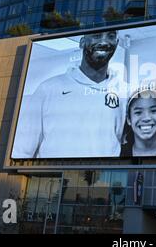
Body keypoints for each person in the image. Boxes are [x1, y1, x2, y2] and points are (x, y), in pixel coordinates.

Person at [12, 30, 127, 158]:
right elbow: (21, 150)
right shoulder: (48, 88)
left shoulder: (125, 92)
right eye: (96, 35)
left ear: (116, 43)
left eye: (111, 36)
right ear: (82, 42)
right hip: (50, 175)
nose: (104, 42)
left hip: (103, 175)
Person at [121, 88, 156, 157]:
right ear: (129, 119)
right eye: (138, 112)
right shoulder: (118, 153)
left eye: (153, 111)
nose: (146, 118)